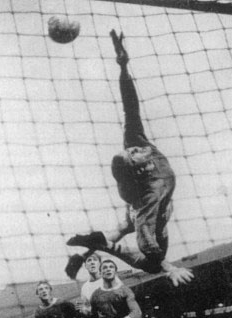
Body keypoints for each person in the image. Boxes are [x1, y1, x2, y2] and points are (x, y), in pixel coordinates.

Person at [67, 30, 193, 287]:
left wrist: (123, 66)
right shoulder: (148, 194)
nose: (133, 149)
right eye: (131, 154)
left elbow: (130, 104)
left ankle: (87, 249)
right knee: (149, 260)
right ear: (138, 170)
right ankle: (98, 246)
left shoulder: (135, 141)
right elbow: (148, 243)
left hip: (139, 211)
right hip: (153, 226)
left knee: (122, 229)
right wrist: (169, 268)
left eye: (131, 150)